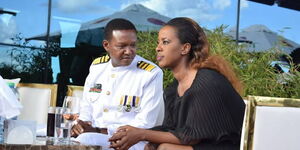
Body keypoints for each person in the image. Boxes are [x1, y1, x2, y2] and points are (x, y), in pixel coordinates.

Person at [109, 17, 245, 150]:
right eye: (158, 42)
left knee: (165, 148)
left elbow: (192, 136)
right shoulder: (174, 88)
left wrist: (142, 134)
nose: (158, 48)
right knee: (152, 146)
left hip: (228, 146)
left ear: (185, 48)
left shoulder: (206, 81)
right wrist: (134, 133)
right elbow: (171, 128)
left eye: (165, 42)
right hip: (200, 144)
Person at [71, 18, 164, 149]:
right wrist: (80, 125)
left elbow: (145, 124)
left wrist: (99, 131)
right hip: (93, 136)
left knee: (85, 139)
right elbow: (87, 108)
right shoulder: (97, 67)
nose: (129, 51)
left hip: (131, 142)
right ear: (106, 45)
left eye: (133, 45)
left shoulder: (150, 73)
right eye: (122, 46)